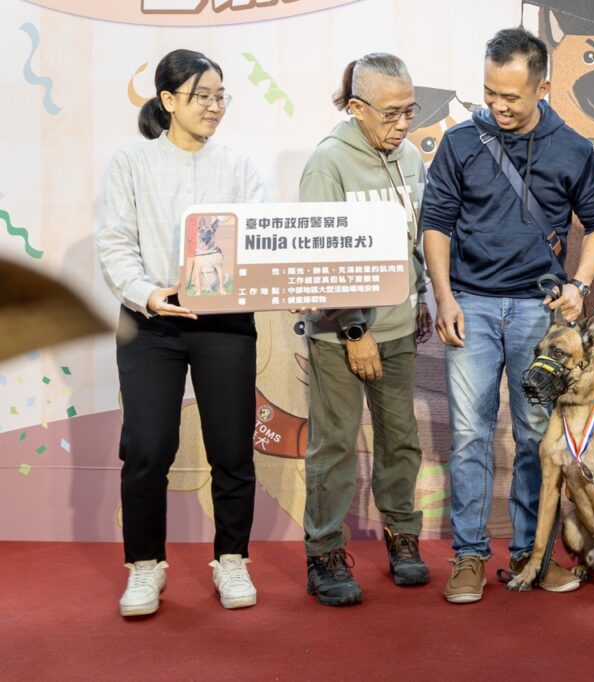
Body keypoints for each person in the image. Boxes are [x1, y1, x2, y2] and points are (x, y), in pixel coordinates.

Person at [421, 27, 594, 604]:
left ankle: (533, 556)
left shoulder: (572, 147)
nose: (499, 107)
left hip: (540, 312)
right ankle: (468, 557)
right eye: (490, 93)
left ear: (543, 87)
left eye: (512, 96)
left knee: (535, 437)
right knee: (469, 435)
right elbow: (435, 223)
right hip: (471, 307)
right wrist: (444, 297)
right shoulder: (460, 142)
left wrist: (580, 283)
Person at [97, 49, 267, 617]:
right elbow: (115, 242)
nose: (215, 107)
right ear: (168, 101)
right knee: (147, 448)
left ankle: (232, 559)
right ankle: (144, 567)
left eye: (221, 96)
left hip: (224, 323)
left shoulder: (240, 166)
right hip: (150, 321)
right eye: (203, 96)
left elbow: (259, 241)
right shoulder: (131, 162)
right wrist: (149, 294)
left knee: (231, 446)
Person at [299, 53, 433, 607]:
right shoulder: (327, 164)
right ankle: (324, 554)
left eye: (410, 112)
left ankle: (403, 538)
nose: (404, 125)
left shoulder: (409, 159)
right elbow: (318, 258)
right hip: (341, 337)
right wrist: (354, 332)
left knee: (400, 439)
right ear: (356, 108)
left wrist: (421, 295)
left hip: (400, 327)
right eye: (392, 113)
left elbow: (414, 239)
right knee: (334, 445)